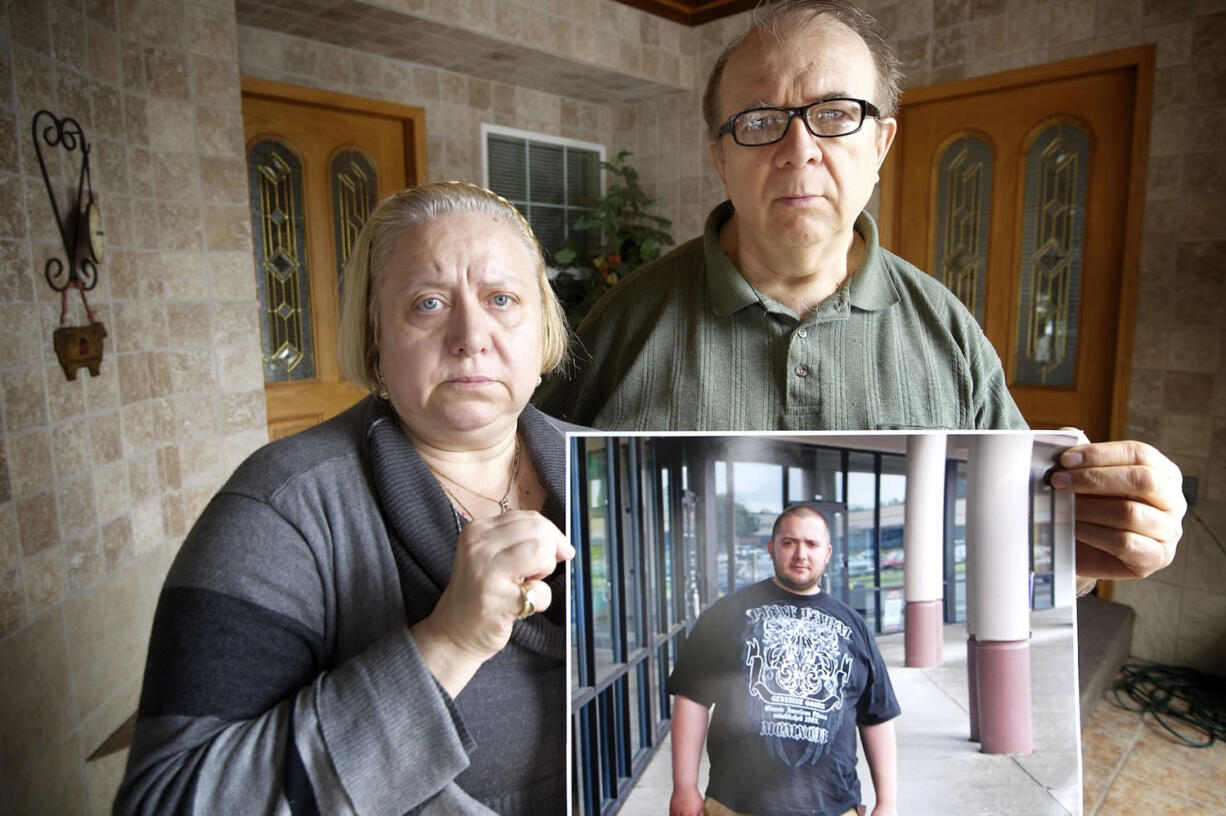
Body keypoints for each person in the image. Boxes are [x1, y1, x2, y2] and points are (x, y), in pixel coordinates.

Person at [535, 0, 1184, 587]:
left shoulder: (949, 336)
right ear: (720, 157)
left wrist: (1085, 550)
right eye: (760, 121)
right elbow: (530, 505)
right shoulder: (623, 323)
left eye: (836, 115)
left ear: (881, 143)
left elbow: (1027, 551)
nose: (800, 150)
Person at [115, 183, 576, 815]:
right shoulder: (284, 508)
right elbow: (164, 803)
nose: (472, 334)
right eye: (429, 303)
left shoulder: (614, 468)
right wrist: (448, 641)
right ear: (375, 337)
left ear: (542, 328)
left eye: (502, 299)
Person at [669, 504, 898, 816]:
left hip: (833, 807)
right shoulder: (726, 615)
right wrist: (684, 786)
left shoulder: (854, 626)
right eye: (789, 543)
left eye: (811, 544)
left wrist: (887, 802)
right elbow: (691, 699)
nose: (800, 554)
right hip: (735, 805)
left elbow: (877, 716)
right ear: (771, 549)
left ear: (827, 553)